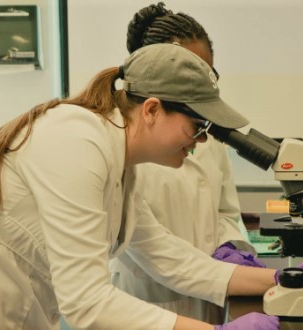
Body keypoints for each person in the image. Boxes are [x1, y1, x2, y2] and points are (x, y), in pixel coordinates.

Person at [0, 43, 279, 329]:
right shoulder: (76, 140)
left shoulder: (120, 160)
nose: (202, 142)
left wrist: (284, 280)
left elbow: (168, 258)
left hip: (21, 312)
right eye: (197, 126)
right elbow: (87, 301)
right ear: (152, 110)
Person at [109, 2, 265, 323]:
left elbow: (224, 211)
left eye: (208, 73)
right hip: (147, 301)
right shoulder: (123, 154)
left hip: (209, 295)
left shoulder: (203, 133)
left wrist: (230, 248)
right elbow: (162, 256)